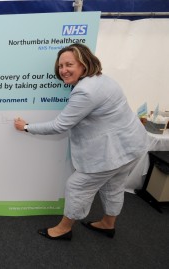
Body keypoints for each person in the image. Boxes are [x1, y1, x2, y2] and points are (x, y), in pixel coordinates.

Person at [14, 43, 148, 241]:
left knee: (77, 187)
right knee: (114, 185)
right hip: (132, 145)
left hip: (112, 152)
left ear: (84, 64)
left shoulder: (85, 91)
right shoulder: (102, 79)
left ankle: (64, 229)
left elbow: (60, 125)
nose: (63, 70)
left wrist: (26, 127)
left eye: (69, 65)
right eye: (60, 66)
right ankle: (107, 224)